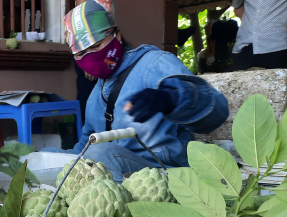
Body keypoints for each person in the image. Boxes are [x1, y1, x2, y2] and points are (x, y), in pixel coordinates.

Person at [43, 0, 229, 181]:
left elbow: (217, 110)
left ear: (117, 35)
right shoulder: (95, 96)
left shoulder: (154, 63)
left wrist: (170, 98)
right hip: (121, 175)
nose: (91, 57)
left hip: (167, 175)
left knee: (101, 153)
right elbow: (84, 150)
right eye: (82, 54)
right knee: (42, 157)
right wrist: (35, 157)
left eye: (96, 46)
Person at [231, 0, 287, 71]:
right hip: (244, 46)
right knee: (241, 81)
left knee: (278, 81)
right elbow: (237, 7)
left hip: (276, 46)